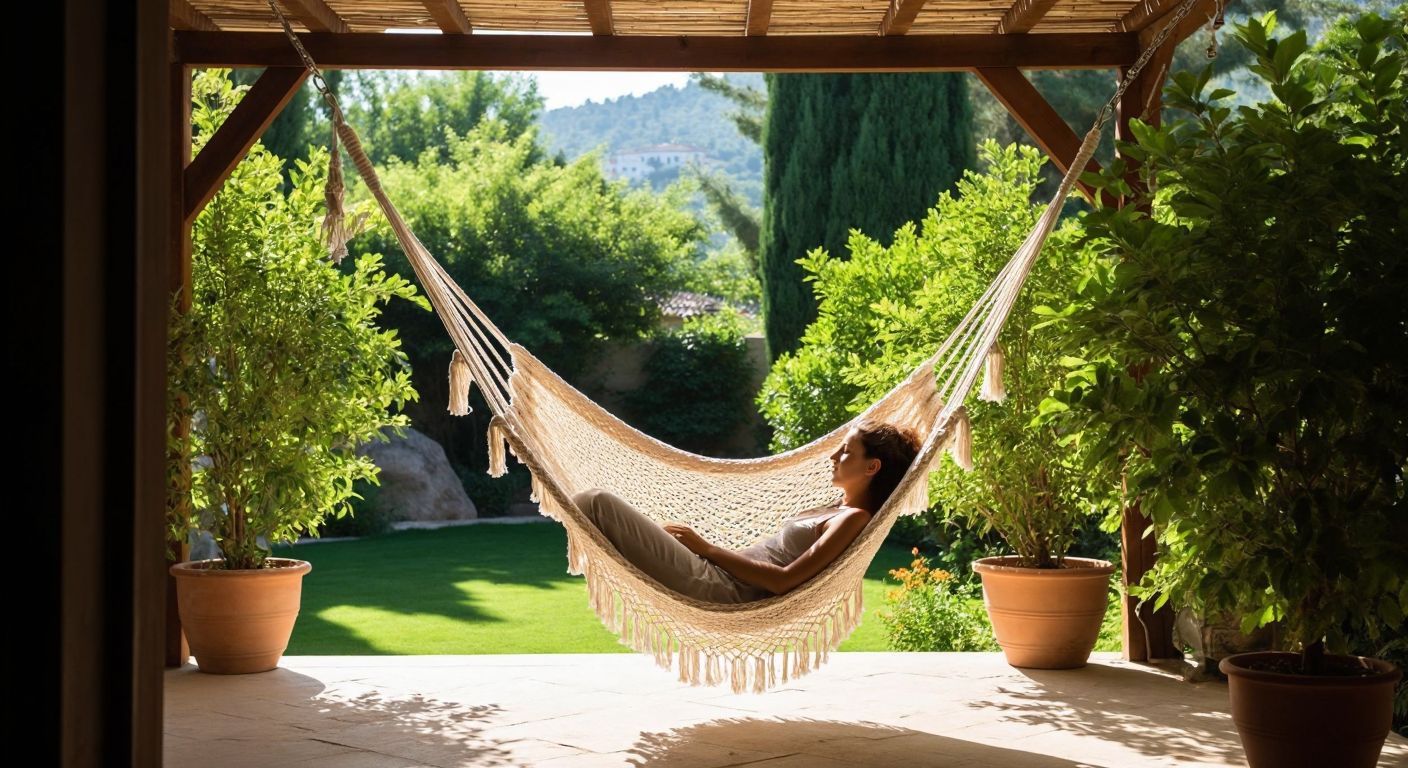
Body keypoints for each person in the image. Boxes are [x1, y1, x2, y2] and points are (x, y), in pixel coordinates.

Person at [571, 420, 922, 604]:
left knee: (595, 502)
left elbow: (783, 581)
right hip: (710, 573)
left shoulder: (853, 518)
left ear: (872, 467)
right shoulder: (837, 507)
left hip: (718, 587)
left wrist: (705, 548)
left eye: (846, 452)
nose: (832, 457)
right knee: (590, 504)